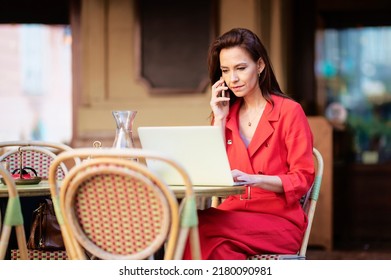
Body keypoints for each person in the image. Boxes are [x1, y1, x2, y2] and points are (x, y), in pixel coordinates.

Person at [183, 28, 315, 260]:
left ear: (260, 65)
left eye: (241, 68)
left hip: (279, 221)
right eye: (225, 70)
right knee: (213, 245)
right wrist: (220, 117)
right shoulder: (226, 115)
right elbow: (212, 172)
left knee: (194, 228)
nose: (232, 78)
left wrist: (256, 179)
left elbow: (303, 178)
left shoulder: (289, 112)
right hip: (233, 215)